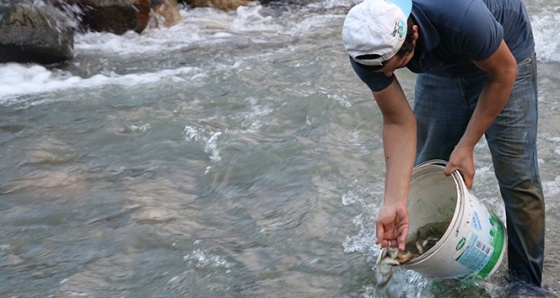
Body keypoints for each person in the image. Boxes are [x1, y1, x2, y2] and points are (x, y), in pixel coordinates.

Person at [341, 0, 546, 295]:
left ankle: (526, 285)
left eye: (395, 68)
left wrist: (467, 145)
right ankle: (446, 271)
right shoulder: (366, 46)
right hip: (441, 70)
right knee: (429, 174)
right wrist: (394, 201)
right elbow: (399, 122)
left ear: (413, 33)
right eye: (382, 71)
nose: (387, 77)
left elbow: (504, 72)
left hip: (505, 52)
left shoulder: (460, 16)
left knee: (518, 177)